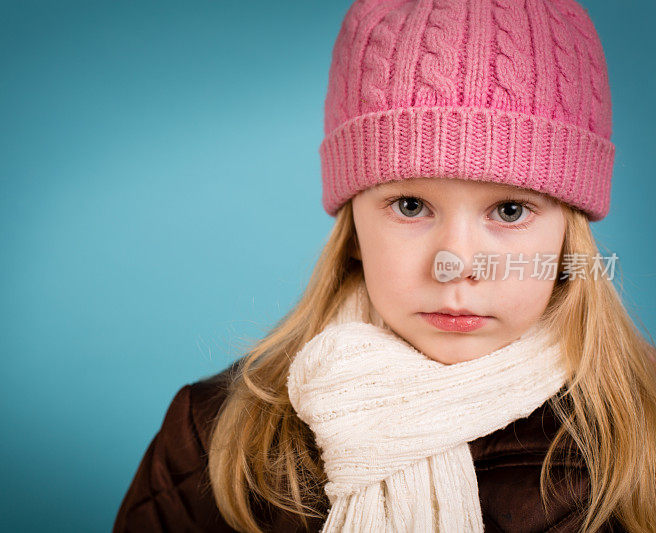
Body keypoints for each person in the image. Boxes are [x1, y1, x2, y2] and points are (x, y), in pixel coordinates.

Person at [113, 0, 656, 531]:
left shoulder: (644, 431)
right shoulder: (216, 435)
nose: (456, 265)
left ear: (568, 236)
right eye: (411, 206)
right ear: (353, 231)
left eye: (510, 210)